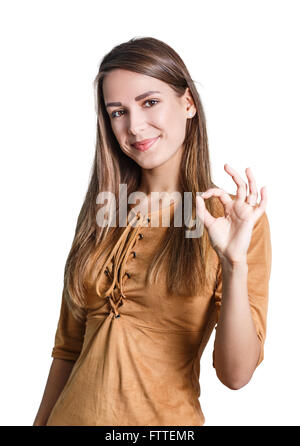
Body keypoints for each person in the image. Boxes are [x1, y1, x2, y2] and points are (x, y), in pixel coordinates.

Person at [33, 36, 272, 426]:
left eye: (149, 102)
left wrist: (233, 263)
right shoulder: (101, 211)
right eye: (117, 112)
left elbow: (236, 374)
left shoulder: (234, 221)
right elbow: (68, 349)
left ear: (188, 103)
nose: (134, 125)